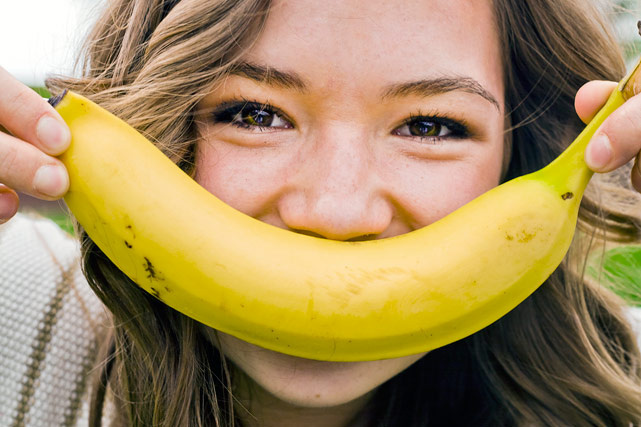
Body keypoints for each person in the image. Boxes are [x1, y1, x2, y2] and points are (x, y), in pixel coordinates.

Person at [1, 0, 641, 425]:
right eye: (255, 115)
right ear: (157, 136)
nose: (335, 213)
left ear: (519, 160)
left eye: (429, 125)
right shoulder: (17, 309)